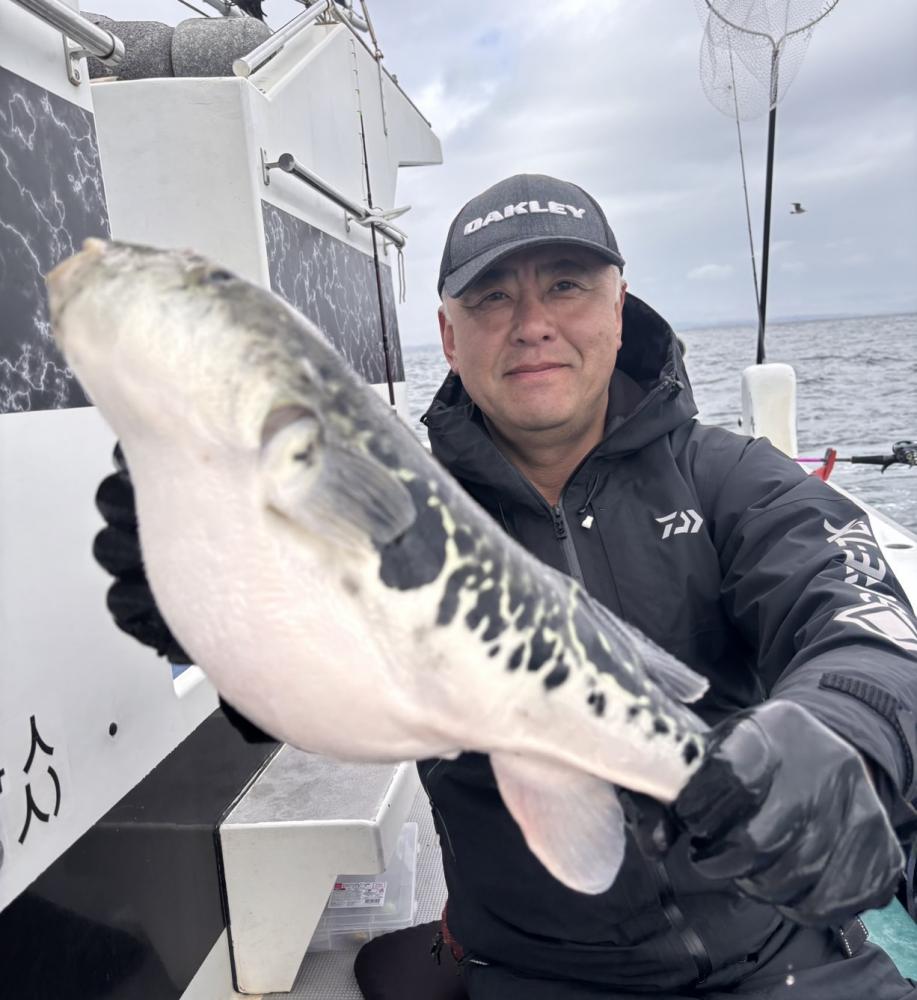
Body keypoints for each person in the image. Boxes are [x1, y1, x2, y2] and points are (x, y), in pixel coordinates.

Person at [94, 174, 917, 999]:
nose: (530, 324)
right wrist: (226, 622)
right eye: (490, 297)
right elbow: (323, 687)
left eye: (565, 285)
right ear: (448, 337)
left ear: (618, 307)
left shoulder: (731, 478)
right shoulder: (396, 513)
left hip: (786, 954)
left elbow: (864, 624)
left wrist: (837, 731)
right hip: (535, 973)